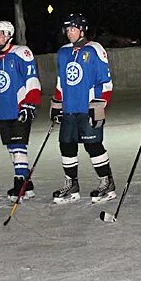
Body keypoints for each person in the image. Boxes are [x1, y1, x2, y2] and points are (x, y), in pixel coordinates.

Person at [50, 14, 116, 204]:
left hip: (88, 108)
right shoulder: (63, 52)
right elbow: (61, 82)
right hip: (70, 109)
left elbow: (106, 82)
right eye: (67, 29)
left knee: (93, 145)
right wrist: (57, 104)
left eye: (73, 29)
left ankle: (107, 181)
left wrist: (99, 104)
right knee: (66, 145)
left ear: (82, 30)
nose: (69, 33)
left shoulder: (95, 49)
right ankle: (72, 184)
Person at [0, 20, 42, 202]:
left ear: (9, 35)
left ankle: (20, 184)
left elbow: (32, 78)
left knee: (19, 147)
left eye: (0, 34)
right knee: (12, 148)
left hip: (19, 107)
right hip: (2, 109)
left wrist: (30, 103)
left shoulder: (21, 52)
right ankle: (28, 185)